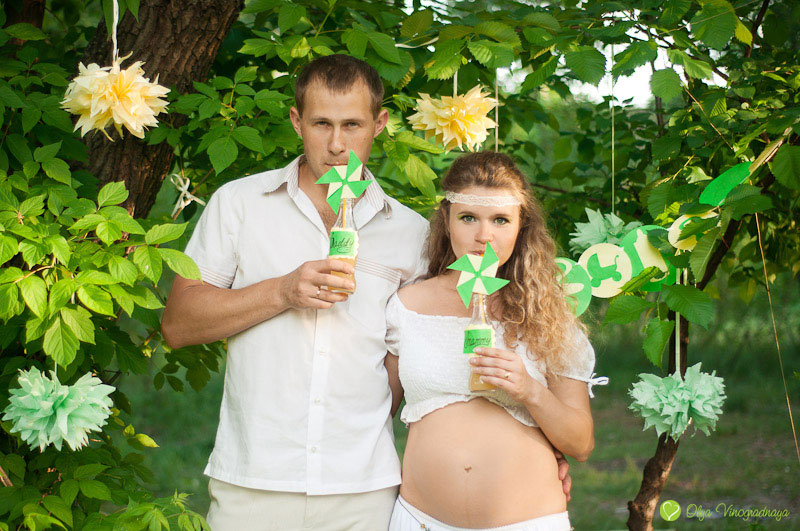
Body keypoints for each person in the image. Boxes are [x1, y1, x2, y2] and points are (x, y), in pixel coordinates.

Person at [160, 54, 431, 530]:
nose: (337, 144)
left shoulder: (411, 232)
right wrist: (282, 291)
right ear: (296, 121)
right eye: (321, 123)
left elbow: (411, 361)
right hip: (254, 480)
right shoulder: (240, 203)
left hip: (362, 487)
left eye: (352, 125)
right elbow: (178, 324)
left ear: (380, 124)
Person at [384, 151, 606, 531]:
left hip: (528, 521)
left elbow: (581, 444)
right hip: (422, 520)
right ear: (447, 220)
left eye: (500, 220)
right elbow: (375, 414)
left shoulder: (548, 314)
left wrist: (529, 390)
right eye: (468, 217)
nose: (483, 236)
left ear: (521, 226)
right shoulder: (407, 306)